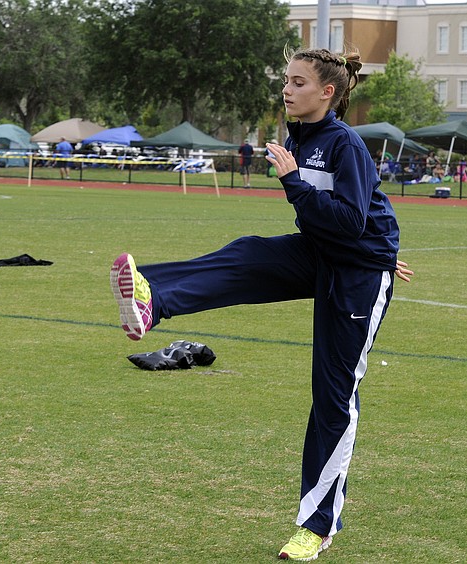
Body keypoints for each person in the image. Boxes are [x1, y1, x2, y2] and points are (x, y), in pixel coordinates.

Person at [110, 45, 413, 561]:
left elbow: (350, 220)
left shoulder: (343, 143)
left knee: (333, 398)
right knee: (247, 253)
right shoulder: (301, 134)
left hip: (358, 273)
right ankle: (150, 298)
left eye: (298, 82)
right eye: (286, 81)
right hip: (325, 253)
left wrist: (296, 184)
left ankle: (315, 527)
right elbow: (339, 224)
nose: (287, 91)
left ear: (327, 93)